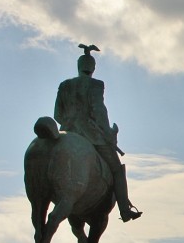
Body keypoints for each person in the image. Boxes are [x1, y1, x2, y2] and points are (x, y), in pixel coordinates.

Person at [55, 44, 142, 222]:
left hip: (66, 133)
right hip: (91, 135)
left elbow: (57, 114)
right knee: (117, 170)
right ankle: (125, 209)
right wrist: (108, 135)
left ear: (79, 67)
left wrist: (69, 124)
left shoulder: (64, 85)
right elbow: (99, 112)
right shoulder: (96, 85)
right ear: (92, 68)